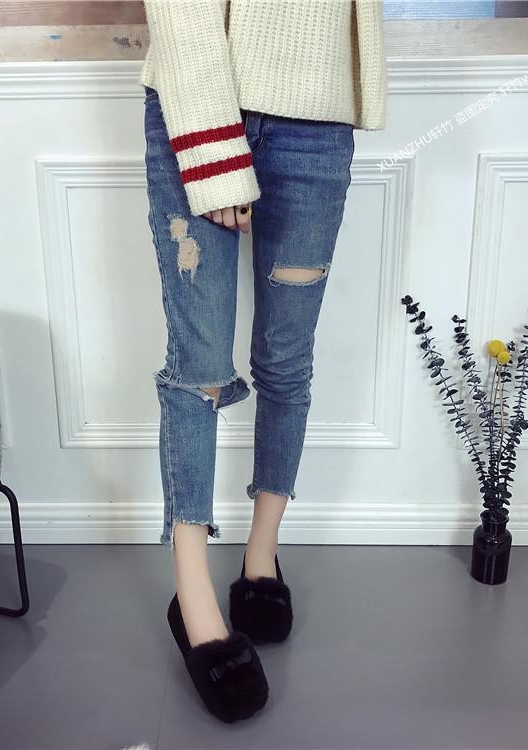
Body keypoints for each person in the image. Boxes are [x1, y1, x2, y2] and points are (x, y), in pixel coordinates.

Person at [140, 0, 388, 723]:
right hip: (201, 111)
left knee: (286, 359)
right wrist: (216, 149)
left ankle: (261, 558)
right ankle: (193, 600)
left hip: (319, 121)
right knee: (199, 367)